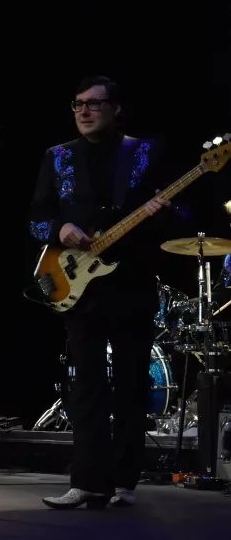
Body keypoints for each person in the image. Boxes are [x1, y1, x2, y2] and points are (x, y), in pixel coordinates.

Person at [27, 75, 185, 509]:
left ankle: (124, 481)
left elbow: (183, 216)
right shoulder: (58, 157)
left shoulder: (146, 152)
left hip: (132, 282)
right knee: (87, 387)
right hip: (80, 286)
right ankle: (87, 482)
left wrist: (165, 211)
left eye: (94, 104)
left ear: (116, 110)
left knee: (132, 386)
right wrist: (59, 228)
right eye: (78, 104)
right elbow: (35, 218)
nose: (84, 111)